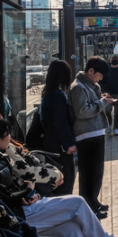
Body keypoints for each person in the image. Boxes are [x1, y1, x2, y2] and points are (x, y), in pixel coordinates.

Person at [68, 56, 114, 217]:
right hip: (86, 135)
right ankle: (88, 208)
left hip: (95, 132)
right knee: (88, 174)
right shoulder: (78, 87)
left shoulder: (91, 85)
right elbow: (82, 111)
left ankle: (93, 201)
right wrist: (102, 103)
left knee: (97, 172)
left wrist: (102, 98)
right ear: (90, 71)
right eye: (99, 75)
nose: (100, 79)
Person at [40, 60, 77, 195]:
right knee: (66, 178)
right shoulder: (57, 95)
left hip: (51, 143)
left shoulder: (47, 92)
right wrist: (69, 144)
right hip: (60, 146)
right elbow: (61, 122)